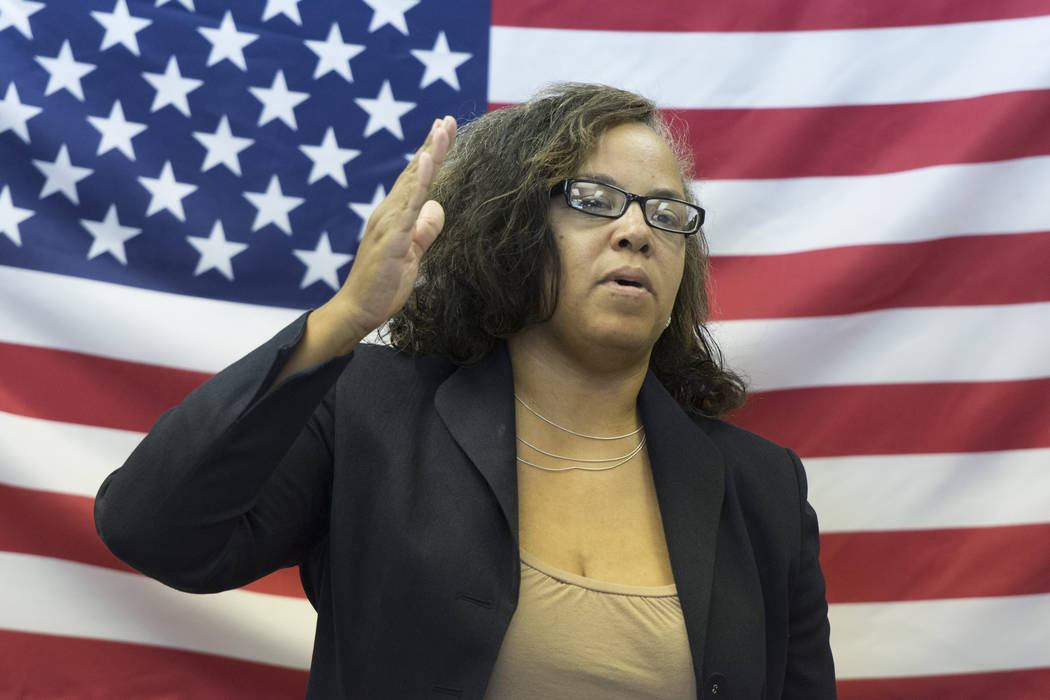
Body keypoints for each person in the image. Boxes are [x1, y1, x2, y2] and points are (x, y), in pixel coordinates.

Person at [95, 83, 836, 699]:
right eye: (594, 199)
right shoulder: (371, 412)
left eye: (666, 213)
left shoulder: (762, 487)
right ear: (512, 228)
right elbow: (154, 527)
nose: (637, 232)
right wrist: (348, 316)